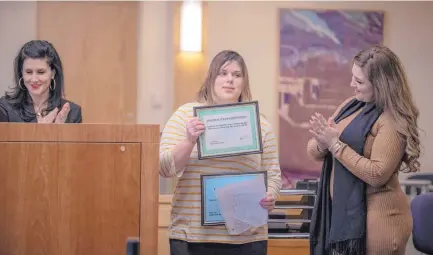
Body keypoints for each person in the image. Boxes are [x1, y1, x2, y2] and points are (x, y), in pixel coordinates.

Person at [160, 50, 290, 255]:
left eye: (237, 75)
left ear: (243, 83)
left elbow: (273, 175)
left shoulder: (260, 124)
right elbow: (164, 168)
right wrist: (188, 140)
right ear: (211, 78)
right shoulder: (185, 115)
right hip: (192, 237)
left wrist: (269, 195)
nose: (230, 79)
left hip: (247, 238)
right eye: (223, 73)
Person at [307, 45, 420, 255]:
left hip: (381, 223)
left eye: (359, 81)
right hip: (344, 218)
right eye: (352, 77)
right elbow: (314, 151)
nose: (352, 85)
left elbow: (377, 174)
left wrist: (335, 145)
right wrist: (324, 141)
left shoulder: (392, 120)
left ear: (381, 85)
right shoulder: (352, 105)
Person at [0, 40, 82, 123]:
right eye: (28, 72)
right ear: (21, 73)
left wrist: (58, 134)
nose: (34, 79)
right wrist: (42, 132)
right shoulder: (5, 108)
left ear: (53, 73)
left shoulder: (72, 113)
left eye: (40, 72)